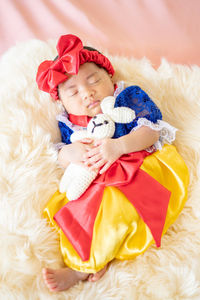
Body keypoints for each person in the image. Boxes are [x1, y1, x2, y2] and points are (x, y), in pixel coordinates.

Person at [36, 34, 189, 292]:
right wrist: (70, 153)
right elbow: (62, 155)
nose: (87, 93)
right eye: (73, 91)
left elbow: (151, 130)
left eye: (94, 80)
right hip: (97, 183)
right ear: (61, 101)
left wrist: (119, 146)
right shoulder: (69, 123)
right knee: (76, 214)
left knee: (118, 211)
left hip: (139, 167)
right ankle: (96, 255)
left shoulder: (126, 96)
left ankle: (80, 268)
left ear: (110, 76)